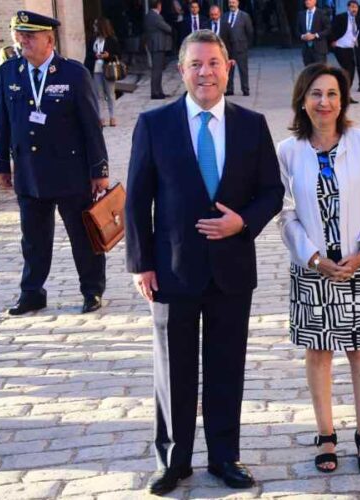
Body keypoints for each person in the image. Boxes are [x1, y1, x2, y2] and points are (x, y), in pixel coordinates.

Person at [125, 29, 284, 495]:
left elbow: (272, 191)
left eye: (213, 63)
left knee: (226, 365)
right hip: (172, 271)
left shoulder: (252, 125)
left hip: (232, 269)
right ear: (182, 71)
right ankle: (173, 460)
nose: (205, 72)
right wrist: (141, 264)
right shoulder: (154, 125)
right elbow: (138, 200)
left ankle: (224, 456)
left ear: (228, 67)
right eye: (195, 64)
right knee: (173, 369)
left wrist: (244, 222)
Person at [277, 63, 360, 475]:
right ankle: (325, 433)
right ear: (302, 102)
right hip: (312, 268)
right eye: (316, 94)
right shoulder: (288, 151)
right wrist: (315, 259)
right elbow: (285, 214)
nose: (325, 102)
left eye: (333, 94)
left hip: (357, 265)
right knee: (319, 351)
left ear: (343, 101)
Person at [0, 11, 110, 316]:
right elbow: (2, 121)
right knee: (33, 239)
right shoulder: (9, 72)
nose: (23, 41)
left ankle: (92, 289)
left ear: (49, 39)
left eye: (30, 36)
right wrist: (1, 163)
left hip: (70, 172)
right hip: (29, 172)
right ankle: (32, 292)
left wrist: (99, 170)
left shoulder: (72, 73)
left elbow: (90, 125)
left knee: (82, 236)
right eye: (20, 35)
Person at [84, 17, 121, 126]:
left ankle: (113, 117)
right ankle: (101, 118)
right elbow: (88, 55)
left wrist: (108, 55)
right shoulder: (92, 40)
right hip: (96, 70)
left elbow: (118, 54)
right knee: (98, 94)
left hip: (108, 69)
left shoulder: (111, 39)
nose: (94, 27)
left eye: (96, 25)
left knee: (110, 94)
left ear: (101, 26)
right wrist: (95, 56)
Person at [329, 0, 359, 102]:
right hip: (340, 47)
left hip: (350, 48)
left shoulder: (357, 19)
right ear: (348, 7)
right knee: (347, 71)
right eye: (352, 7)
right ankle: (344, 96)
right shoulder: (341, 17)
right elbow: (332, 29)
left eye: (355, 7)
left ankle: (345, 95)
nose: (354, 9)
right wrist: (332, 41)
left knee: (351, 72)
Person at [145, 0, 173, 99]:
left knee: (158, 69)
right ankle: (155, 92)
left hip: (155, 44)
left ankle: (159, 91)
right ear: (158, 5)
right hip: (157, 45)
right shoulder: (155, 16)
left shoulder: (150, 15)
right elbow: (168, 28)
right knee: (157, 70)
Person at [224, 0, 253, 96]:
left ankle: (245, 89)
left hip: (241, 47)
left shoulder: (244, 16)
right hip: (228, 48)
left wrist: (246, 45)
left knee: (243, 69)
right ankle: (229, 89)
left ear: (238, 3)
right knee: (228, 70)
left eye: (233, 2)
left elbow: (249, 32)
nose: (231, 4)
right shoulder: (225, 16)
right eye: (230, 2)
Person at [298, 0, 330, 65]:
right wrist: (302, 36)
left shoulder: (322, 13)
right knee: (309, 72)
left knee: (320, 71)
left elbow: (328, 29)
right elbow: (297, 30)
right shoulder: (301, 14)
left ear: (315, 1)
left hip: (319, 49)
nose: (307, 1)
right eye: (306, 0)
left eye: (310, 0)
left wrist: (315, 35)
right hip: (306, 50)